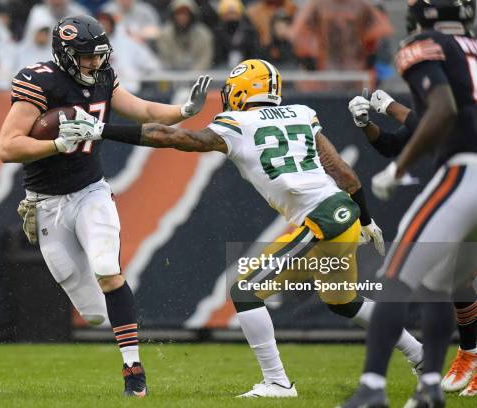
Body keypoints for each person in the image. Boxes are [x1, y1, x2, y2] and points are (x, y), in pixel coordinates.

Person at [60, 58, 425, 398]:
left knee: (247, 290)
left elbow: (172, 137)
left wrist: (102, 129)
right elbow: (344, 174)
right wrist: (366, 219)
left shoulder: (238, 124)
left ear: (241, 91)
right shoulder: (301, 113)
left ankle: (277, 382)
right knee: (344, 301)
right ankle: (421, 355)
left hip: (322, 218)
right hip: (341, 213)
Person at [0, 15, 211, 397]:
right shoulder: (40, 81)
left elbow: (141, 109)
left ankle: (133, 369)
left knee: (108, 269)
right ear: (64, 54)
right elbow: (7, 147)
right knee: (95, 314)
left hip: (91, 190)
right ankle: (117, 329)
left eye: (98, 56)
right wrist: (55, 145)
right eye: (86, 57)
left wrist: (183, 111)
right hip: (46, 203)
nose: (94, 64)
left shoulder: (102, 76)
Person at [341, 0, 477, 406]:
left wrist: (399, 171)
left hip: (466, 170)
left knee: (394, 281)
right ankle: (434, 383)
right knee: (445, 282)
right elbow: (414, 132)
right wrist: (369, 124)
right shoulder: (469, 53)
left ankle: (372, 388)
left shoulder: (425, 47)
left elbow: (442, 113)